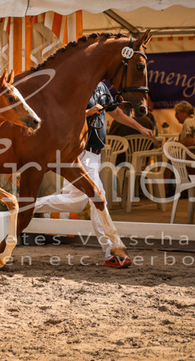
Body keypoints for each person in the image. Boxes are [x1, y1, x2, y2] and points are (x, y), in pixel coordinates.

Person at [34, 82, 154, 269]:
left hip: (95, 154)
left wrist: (140, 128)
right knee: (98, 198)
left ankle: (25, 206)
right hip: (80, 152)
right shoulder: (75, 84)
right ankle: (113, 252)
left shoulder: (102, 88)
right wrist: (88, 113)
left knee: (76, 203)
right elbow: (59, 117)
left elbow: (117, 114)